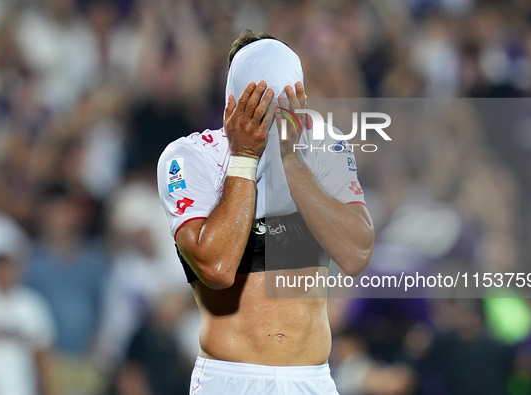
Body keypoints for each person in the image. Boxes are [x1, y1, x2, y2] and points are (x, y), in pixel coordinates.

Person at [157, 30, 374, 394]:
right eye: (257, 100)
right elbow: (217, 268)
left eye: (283, 99)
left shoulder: (326, 147)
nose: (271, 112)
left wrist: (292, 160)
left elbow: (356, 254)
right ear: (232, 100)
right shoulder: (190, 158)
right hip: (230, 378)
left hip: (312, 379)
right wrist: (245, 157)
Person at [0, 254, 56, 395]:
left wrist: (49, 389)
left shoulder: (31, 304)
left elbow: (43, 353)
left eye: (8, 270)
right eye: (1, 270)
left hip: (22, 387)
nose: (5, 275)